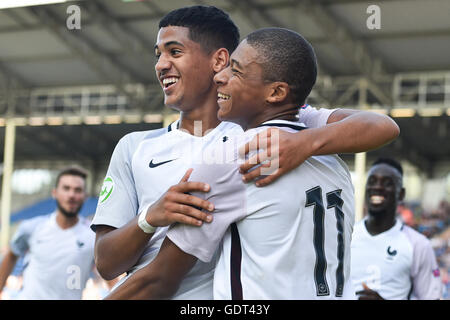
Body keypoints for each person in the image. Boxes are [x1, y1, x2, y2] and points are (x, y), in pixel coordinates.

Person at [92, 5, 399, 299]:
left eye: (174, 52)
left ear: (219, 60)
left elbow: (382, 125)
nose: (160, 64)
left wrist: (302, 144)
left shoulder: (246, 148)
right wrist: (149, 217)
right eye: (158, 54)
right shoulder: (136, 147)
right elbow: (106, 264)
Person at [351, 158, 442, 300]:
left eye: (387, 183)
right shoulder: (346, 237)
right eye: (372, 181)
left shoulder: (418, 245)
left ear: (401, 194)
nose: (377, 187)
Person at [0, 166, 95, 300]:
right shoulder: (31, 227)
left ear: (85, 196)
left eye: (77, 190)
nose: (71, 195)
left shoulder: (93, 236)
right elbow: (11, 255)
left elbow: (109, 272)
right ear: (54, 192)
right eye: (66, 188)